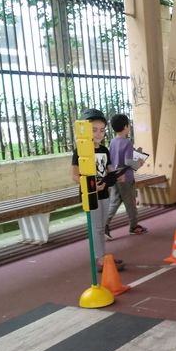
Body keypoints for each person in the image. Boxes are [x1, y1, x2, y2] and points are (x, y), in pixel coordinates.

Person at [71, 108, 124, 272]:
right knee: (96, 227)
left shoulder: (104, 150)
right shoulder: (80, 151)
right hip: (90, 195)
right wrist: (92, 183)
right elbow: (75, 175)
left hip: (104, 192)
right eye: (94, 130)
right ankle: (99, 259)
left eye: (102, 130)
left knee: (102, 227)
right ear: (85, 130)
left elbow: (109, 171)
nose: (99, 134)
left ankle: (102, 256)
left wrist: (118, 175)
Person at [105, 113, 147, 237]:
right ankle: (133, 226)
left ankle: (105, 225)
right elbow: (129, 163)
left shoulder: (113, 141)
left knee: (114, 202)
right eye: (129, 124)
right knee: (131, 204)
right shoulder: (127, 143)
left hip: (114, 176)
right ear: (126, 126)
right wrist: (140, 162)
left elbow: (114, 159)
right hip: (126, 177)